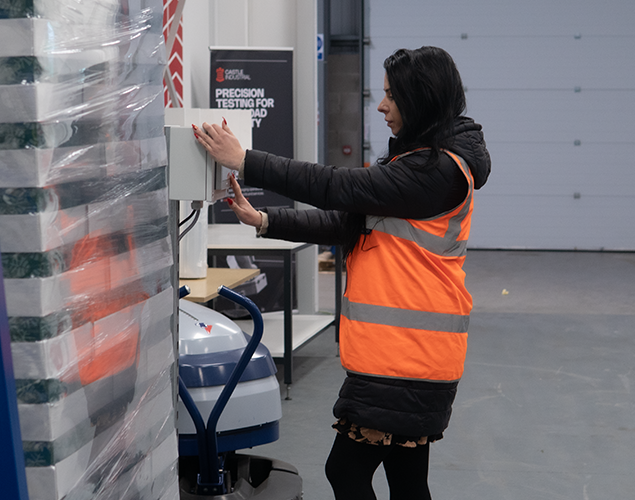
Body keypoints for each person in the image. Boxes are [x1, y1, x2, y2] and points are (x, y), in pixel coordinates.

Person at [194, 46, 491, 499]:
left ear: (421, 99)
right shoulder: (416, 163)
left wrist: (246, 160)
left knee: (345, 472)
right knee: (408, 483)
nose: (381, 105)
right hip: (407, 357)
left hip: (405, 359)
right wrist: (266, 221)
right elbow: (350, 223)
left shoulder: (436, 172)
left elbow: (336, 186)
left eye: (392, 95)